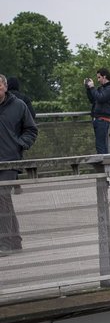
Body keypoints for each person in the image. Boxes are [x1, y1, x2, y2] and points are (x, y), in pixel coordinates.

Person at [0, 74, 38, 256]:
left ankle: (6, 242)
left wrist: (20, 144)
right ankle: (15, 241)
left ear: (5, 87)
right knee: (4, 200)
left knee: (2, 196)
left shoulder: (18, 106)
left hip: (10, 160)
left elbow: (31, 129)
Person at [85, 68, 110, 155]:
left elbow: (100, 98)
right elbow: (93, 100)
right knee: (100, 144)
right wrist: (88, 89)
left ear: (104, 76)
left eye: (99, 77)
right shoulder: (102, 88)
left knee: (100, 145)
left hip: (103, 120)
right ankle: (105, 167)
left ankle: (105, 167)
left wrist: (92, 87)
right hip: (98, 120)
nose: (98, 80)